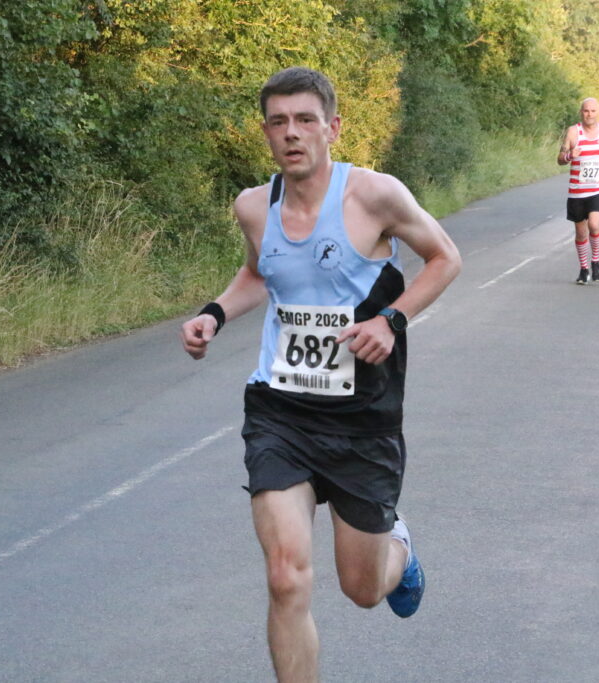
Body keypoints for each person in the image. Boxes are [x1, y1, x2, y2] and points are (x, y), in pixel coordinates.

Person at [180, 66, 461, 682]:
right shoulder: (255, 206)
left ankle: (399, 550)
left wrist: (391, 319)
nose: (292, 134)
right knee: (285, 575)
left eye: (306, 120)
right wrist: (214, 313)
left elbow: (445, 258)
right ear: (266, 133)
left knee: (362, 589)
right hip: (281, 411)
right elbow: (259, 274)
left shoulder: (374, 195)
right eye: (278, 122)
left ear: (333, 128)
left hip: (363, 419)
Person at [558, 97, 599, 285]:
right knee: (581, 233)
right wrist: (568, 155)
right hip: (577, 191)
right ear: (581, 112)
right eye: (585, 111)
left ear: (598, 112)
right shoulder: (573, 132)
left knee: (594, 224)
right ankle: (584, 269)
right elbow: (559, 158)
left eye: (592, 111)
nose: (589, 114)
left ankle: (596, 261)